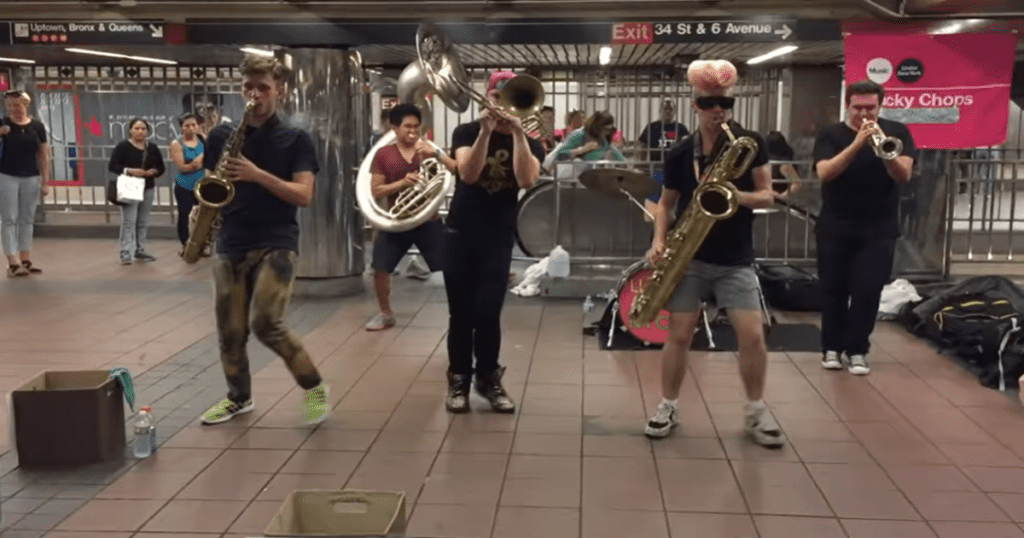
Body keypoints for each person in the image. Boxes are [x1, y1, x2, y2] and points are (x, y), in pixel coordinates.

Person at [644, 59, 784, 448]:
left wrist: (732, 195)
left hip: (735, 257)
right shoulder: (678, 152)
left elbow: (767, 194)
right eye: (709, 104)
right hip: (688, 257)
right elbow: (665, 203)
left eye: (725, 103)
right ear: (695, 105)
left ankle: (756, 410)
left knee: (753, 337)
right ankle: (667, 405)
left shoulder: (750, 143)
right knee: (679, 336)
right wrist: (659, 240)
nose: (718, 110)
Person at [198, 54, 329, 426]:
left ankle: (314, 387)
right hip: (231, 240)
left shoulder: (295, 139)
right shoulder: (223, 136)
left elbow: (303, 195)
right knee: (230, 331)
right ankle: (238, 398)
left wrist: (258, 175)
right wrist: (200, 209)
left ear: (280, 93)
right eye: (248, 88)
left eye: (263, 88)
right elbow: (209, 183)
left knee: (266, 323)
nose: (254, 95)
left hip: (277, 241)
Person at [443, 70, 545, 414]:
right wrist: (486, 131)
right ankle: (459, 378)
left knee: (488, 312)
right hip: (460, 233)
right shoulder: (466, 131)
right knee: (461, 313)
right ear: (489, 97)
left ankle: (488, 377)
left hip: (498, 237)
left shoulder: (529, 142)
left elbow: (527, 179)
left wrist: (517, 133)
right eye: (498, 96)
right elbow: (468, 174)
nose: (503, 104)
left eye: (509, 98)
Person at [812, 79, 916, 375]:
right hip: (835, 225)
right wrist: (857, 143)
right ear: (848, 105)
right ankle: (830, 347)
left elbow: (904, 174)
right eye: (858, 108)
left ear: (880, 106)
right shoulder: (831, 134)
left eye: (870, 107)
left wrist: (886, 153)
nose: (864, 114)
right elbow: (824, 172)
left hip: (879, 228)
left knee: (867, 290)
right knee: (833, 289)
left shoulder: (896, 132)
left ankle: (857, 350)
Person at [366, 103, 457, 331]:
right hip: (397, 221)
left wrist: (435, 154)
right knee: (380, 267)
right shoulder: (383, 154)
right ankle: (385, 314)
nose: (413, 131)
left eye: (416, 127)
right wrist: (402, 183)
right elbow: (376, 190)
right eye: (407, 126)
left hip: (429, 219)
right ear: (394, 128)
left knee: (452, 266)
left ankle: (459, 311)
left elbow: (454, 171)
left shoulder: (426, 149)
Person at [0, 90, 50, 277]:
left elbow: (43, 155)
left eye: (19, 105)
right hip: (6, 175)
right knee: (9, 218)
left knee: (27, 219)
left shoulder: (37, 127)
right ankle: (12, 261)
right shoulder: (3, 124)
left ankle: (25, 258)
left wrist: (45, 181)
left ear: (26, 105)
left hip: (31, 176)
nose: (15, 109)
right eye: (11, 105)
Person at [107, 118, 165, 265]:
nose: (140, 131)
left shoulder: (152, 148)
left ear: (147, 131)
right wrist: (130, 171)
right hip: (130, 186)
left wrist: (154, 171)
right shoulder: (122, 147)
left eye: (143, 128)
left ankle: (140, 249)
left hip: (148, 187)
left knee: (143, 221)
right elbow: (113, 166)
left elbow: (161, 167)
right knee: (129, 221)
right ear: (130, 130)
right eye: (137, 128)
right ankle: (125, 251)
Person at [640, 100, 689, 221]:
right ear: (660, 111)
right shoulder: (652, 127)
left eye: (670, 109)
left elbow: (687, 146)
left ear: (675, 112)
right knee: (655, 190)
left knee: (674, 194)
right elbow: (643, 146)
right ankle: (652, 216)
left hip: (676, 167)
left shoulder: (681, 128)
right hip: (656, 166)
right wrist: (643, 165)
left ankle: (674, 217)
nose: (667, 111)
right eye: (665, 109)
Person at [168, 113, 205, 257]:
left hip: (202, 185)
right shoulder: (176, 144)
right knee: (185, 214)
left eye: (193, 125)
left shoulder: (203, 140)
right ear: (181, 128)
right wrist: (195, 165)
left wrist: (199, 161)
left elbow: (212, 158)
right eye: (187, 125)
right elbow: (182, 166)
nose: (191, 128)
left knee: (201, 215)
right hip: (184, 185)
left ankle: (202, 245)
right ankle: (186, 245)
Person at [765, 130, 802, 202]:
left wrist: (782, 196)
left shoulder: (783, 165)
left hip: (778, 202)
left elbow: (796, 184)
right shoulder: (770, 162)